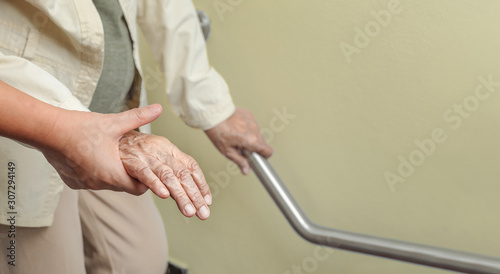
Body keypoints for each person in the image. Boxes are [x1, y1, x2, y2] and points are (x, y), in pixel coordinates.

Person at [0, 1, 272, 273]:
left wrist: (209, 104)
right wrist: (64, 129)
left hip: (113, 121)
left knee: (140, 262)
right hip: (27, 125)